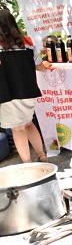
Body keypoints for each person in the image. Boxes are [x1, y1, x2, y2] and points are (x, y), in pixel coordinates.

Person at [0, 10, 50, 163]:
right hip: (28, 91)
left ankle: (28, 164)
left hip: (7, 93)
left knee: (17, 128)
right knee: (28, 123)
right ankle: (41, 155)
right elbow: (40, 67)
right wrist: (47, 62)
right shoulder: (27, 43)